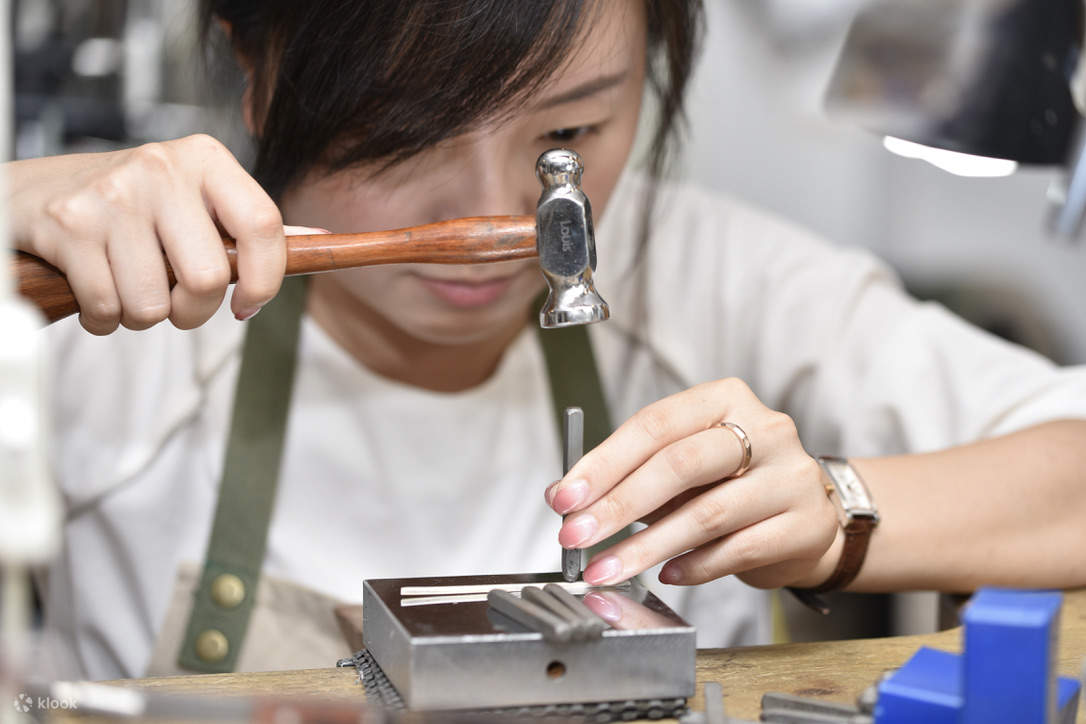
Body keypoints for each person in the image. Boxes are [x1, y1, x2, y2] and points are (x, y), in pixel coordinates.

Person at [11, 0, 1086, 681]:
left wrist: (839, 513)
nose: (499, 220)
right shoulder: (109, 303)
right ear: (259, 67)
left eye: (568, 134)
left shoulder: (705, 272)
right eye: (406, 127)